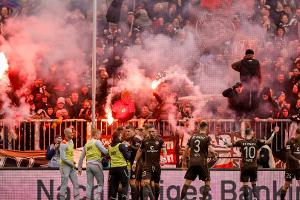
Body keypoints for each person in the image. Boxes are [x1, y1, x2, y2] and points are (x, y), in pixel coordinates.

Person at [223, 127, 279, 200]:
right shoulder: (256, 142)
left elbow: (229, 145)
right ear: (251, 133)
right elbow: (268, 141)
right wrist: (273, 133)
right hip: (253, 166)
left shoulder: (241, 142)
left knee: (245, 185)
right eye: (253, 131)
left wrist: (224, 141)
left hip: (245, 166)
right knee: (254, 183)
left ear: (246, 134)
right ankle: (255, 197)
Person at [180, 121, 217, 200]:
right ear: (206, 128)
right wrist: (214, 155)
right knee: (207, 182)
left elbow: (186, 150)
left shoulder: (192, 137)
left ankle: (181, 199)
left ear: (198, 128)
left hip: (192, 163)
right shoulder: (207, 138)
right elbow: (211, 150)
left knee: (187, 183)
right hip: (202, 163)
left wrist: (183, 161)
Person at [132, 125, 167, 200]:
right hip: (147, 166)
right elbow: (140, 151)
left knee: (156, 185)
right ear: (148, 132)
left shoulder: (160, 140)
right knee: (146, 183)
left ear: (156, 131)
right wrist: (134, 162)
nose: (151, 133)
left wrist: (164, 158)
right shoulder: (145, 141)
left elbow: (164, 150)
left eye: (153, 131)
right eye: (150, 132)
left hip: (156, 165)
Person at [78, 129, 108, 200]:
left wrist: (79, 168)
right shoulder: (97, 142)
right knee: (100, 184)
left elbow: (81, 157)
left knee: (89, 184)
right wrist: (109, 149)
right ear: (96, 134)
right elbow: (105, 152)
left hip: (88, 165)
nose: (100, 136)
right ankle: (96, 198)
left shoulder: (87, 144)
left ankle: (88, 198)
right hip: (96, 164)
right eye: (100, 134)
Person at [108, 127, 131, 200]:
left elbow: (108, 156)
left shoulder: (110, 146)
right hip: (122, 168)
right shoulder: (121, 145)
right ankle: (124, 197)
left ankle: (113, 197)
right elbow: (128, 156)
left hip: (113, 169)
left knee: (114, 186)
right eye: (121, 136)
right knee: (125, 184)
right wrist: (128, 148)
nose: (122, 137)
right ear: (119, 136)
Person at [59, 128, 79, 200]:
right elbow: (63, 158)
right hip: (65, 166)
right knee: (64, 185)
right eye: (71, 133)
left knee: (76, 184)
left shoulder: (71, 141)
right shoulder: (63, 144)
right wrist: (71, 164)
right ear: (67, 134)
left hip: (70, 165)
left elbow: (70, 154)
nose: (73, 134)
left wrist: (72, 161)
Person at [280, 128, 300, 200]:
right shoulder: (290, 141)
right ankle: (282, 198)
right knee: (286, 185)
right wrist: (297, 160)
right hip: (290, 167)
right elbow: (288, 155)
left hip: (298, 168)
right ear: (297, 134)